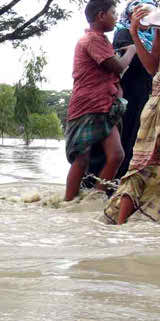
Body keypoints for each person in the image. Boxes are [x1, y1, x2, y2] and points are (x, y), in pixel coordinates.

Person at [63, 0, 137, 201]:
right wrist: (132, 50)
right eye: (113, 13)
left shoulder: (101, 40)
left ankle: (95, 198)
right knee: (81, 159)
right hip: (87, 107)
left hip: (104, 107)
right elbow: (118, 66)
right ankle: (68, 202)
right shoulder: (92, 40)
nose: (116, 17)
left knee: (117, 155)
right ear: (100, 15)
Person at [87, 0, 158, 186]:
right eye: (140, 14)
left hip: (145, 100)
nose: (146, 19)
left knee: (134, 146)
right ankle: (105, 189)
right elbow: (128, 67)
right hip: (124, 101)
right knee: (121, 146)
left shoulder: (154, 35)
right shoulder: (124, 34)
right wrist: (135, 39)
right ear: (131, 15)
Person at [105, 5, 160, 224]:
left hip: (153, 103)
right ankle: (121, 230)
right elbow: (152, 67)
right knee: (140, 166)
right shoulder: (156, 30)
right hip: (156, 105)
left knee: (140, 166)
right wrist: (135, 33)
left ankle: (122, 232)